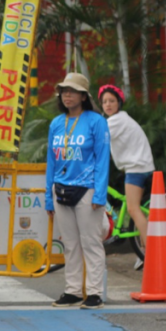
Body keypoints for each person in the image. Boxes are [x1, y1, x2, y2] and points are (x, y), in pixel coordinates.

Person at [45, 72, 110, 309]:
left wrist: (100, 194)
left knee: (91, 242)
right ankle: (72, 291)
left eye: (72, 91)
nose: (67, 95)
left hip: (88, 190)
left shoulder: (96, 121)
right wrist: (48, 197)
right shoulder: (56, 123)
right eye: (64, 91)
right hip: (60, 190)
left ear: (84, 96)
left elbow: (102, 160)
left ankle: (94, 293)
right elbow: (51, 161)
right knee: (70, 244)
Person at [99, 84, 155, 270]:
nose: (108, 104)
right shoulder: (118, 119)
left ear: (119, 103)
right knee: (134, 207)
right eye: (105, 101)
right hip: (138, 165)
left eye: (112, 101)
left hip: (137, 168)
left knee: (132, 209)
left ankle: (149, 253)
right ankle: (143, 250)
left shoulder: (115, 121)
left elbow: (98, 138)